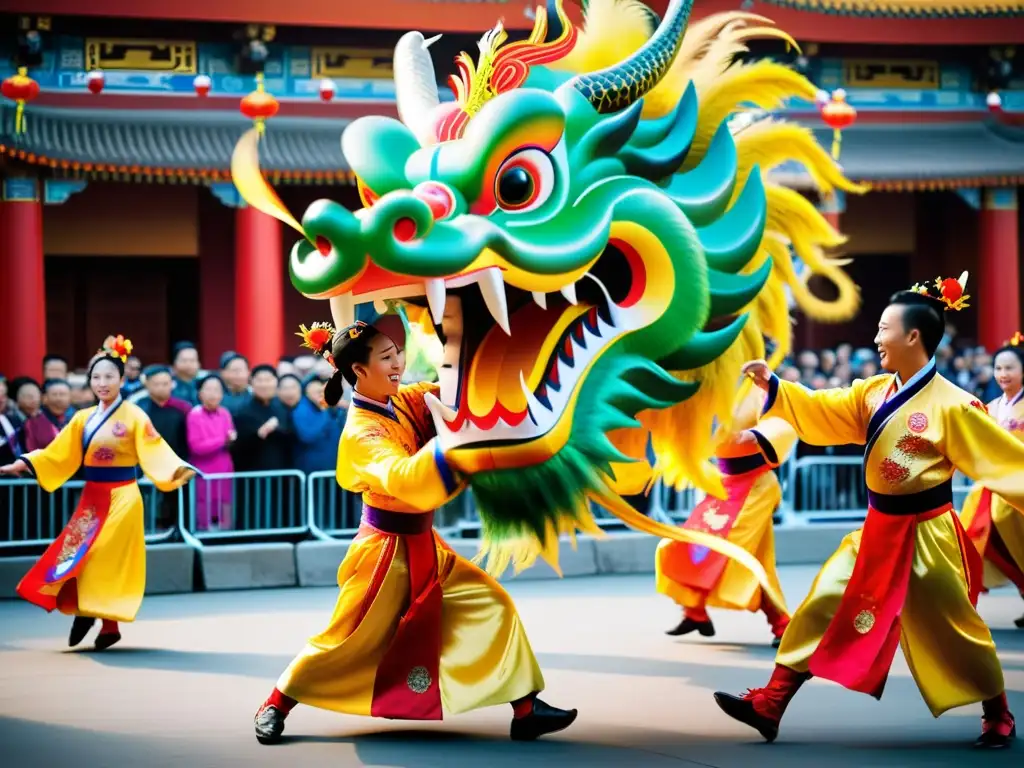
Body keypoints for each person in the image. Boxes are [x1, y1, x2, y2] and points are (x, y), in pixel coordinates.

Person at [713, 273, 1021, 749]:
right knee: (823, 600)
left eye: (884, 329)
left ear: (913, 336)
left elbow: (1003, 462)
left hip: (928, 533)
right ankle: (771, 701)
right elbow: (822, 408)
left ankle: (998, 712)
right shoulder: (873, 391)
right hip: (878, 529)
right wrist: (776, 386)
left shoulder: (957, 407)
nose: (876, 338)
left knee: (954, 624)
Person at [253, 318, 576, 745]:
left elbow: (456, 390)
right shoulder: (361, 433)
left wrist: (475, 344)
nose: (397, 363)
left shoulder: (403, 400)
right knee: (346, 637)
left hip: (425, 543)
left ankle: (526, 706)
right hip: (383, 553)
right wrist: (456, 447)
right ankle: (275, 703)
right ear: (358, 372)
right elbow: (405, 477)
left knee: (490, 603)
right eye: (386, 357)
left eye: (397, 353)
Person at [0, 335, 195, 651]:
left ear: (121, 379)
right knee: (75, 555)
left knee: (101, 558)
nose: (102, 382)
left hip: (122, 497)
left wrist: (174, 470)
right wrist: (22, 464)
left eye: (109, 376)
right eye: (96, 377)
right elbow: (57, 453)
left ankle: (94, 616)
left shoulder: (134, 416)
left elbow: (154, 448)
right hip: (92, 498)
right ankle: (101, 621)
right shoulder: (82, 418)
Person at [657, 384, 795, 647]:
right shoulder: (707, 390)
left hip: (756, 486)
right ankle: (696, 613)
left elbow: (785, 421)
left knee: (730, 553)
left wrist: (758, 434)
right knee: (700, 546)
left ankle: (781, 624)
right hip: (724, 484)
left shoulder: (760, 391)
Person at [959, 331, 1024, 629]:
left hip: (1018, 487)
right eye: (998, 368)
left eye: (1009, 367)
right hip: (993, 488)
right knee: (974, 536)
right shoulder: (993, 406)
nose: (1003, 374)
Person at [186, 374, 236, 531]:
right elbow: (197, 446)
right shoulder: (194, 415)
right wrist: (223, 440)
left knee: (226, 506)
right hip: (204, 470)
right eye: (208, 389)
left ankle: (226, 538)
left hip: (225, 468)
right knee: (204, 508)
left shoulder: (225, 413)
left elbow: (231, 436)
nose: (213, 394)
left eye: (217, 390)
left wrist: (231, 439)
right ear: (200, 393)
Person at [290, 372, 345, 475]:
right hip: (312, 473)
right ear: (307, 391)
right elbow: (307, 436)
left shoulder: (335, 409)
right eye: (317, 391)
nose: (321, 393)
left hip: (334, 470)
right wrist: (324, 409)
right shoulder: (301, 409)